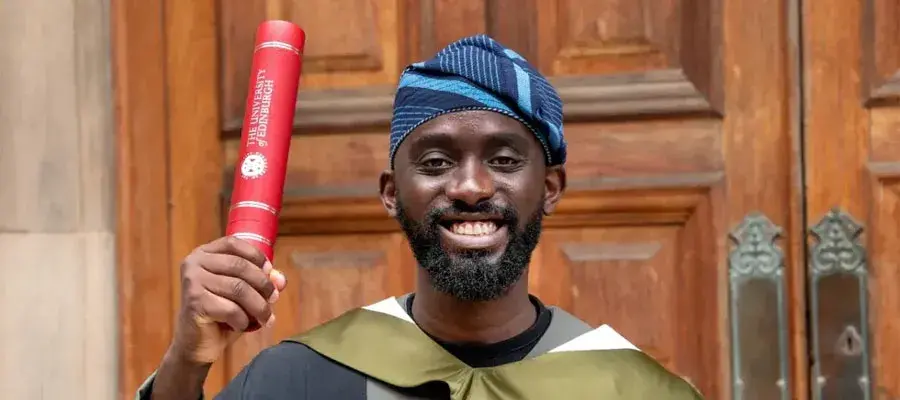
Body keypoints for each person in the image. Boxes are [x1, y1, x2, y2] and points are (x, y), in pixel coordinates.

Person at [137, 35, 703, 400]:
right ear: (391, 192)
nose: (472, 188)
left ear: (549, 187)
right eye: (435, 162)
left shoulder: (634, 391)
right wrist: (185, 362)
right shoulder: (301, 382)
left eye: (505, 160)